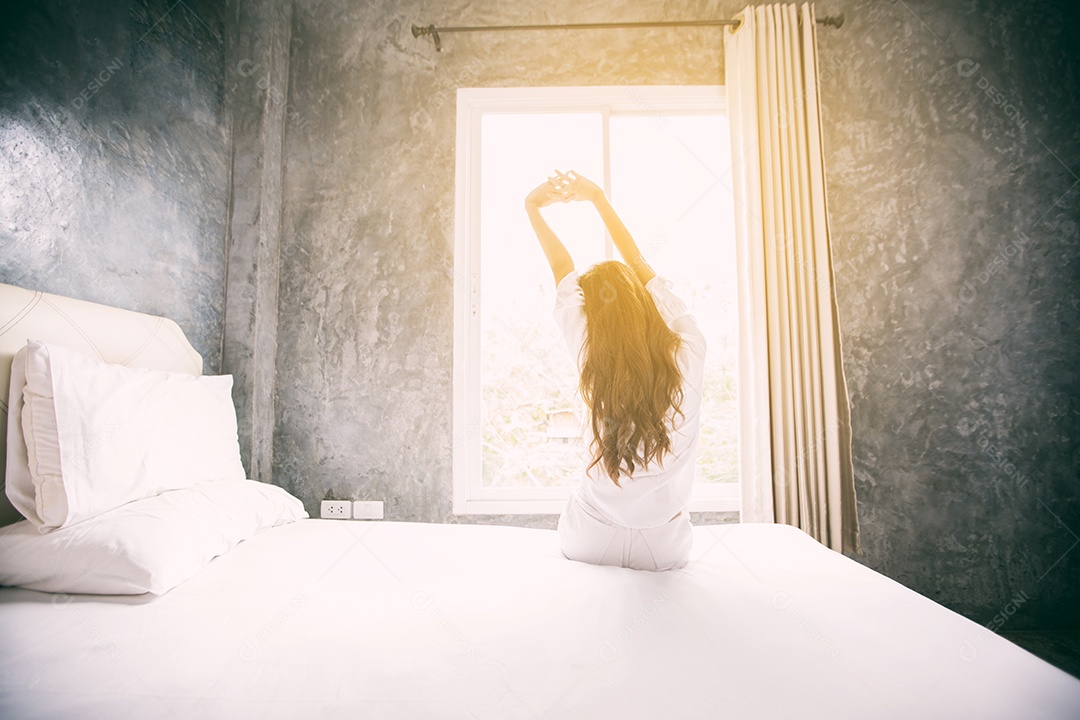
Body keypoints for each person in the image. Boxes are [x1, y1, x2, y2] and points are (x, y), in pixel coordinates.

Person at [524, 170, 707, 571]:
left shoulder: (591, 354)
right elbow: (640, 266)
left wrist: (533, 206)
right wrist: (598, 198)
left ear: (593, 317)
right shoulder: (690, 349)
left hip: (593, 535)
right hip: (665, 544)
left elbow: (562, 267)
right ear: (644, 303)